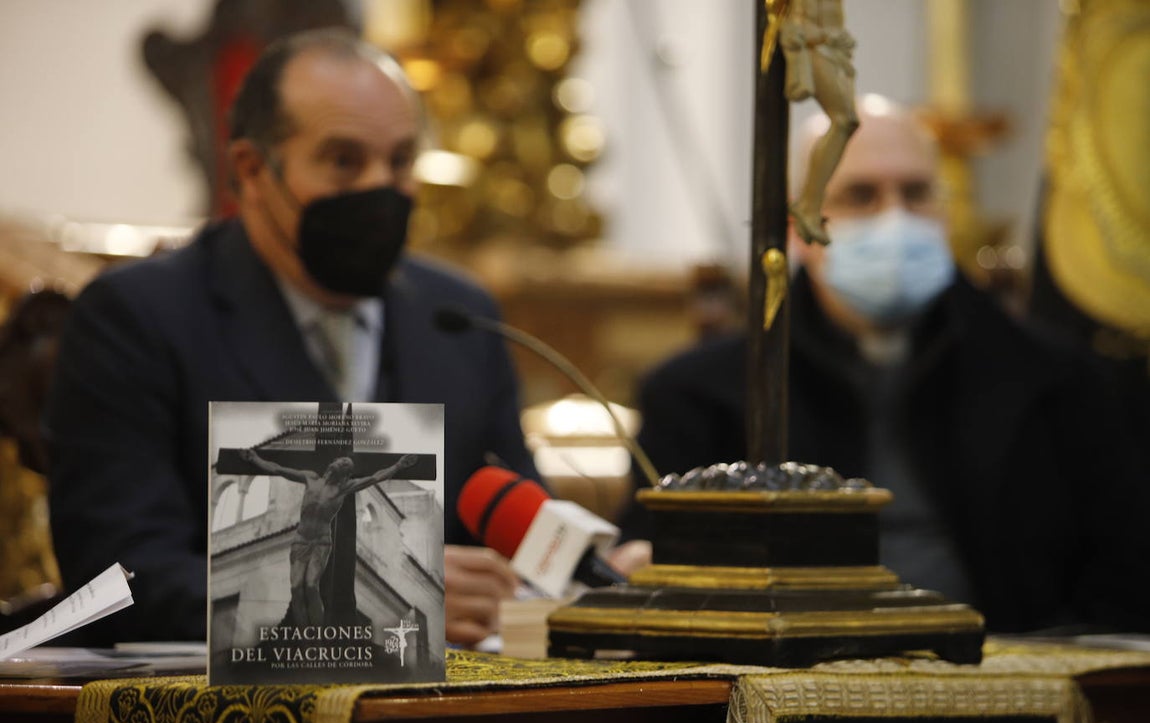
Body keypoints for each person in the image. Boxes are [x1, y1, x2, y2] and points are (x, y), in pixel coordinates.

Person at [45, 29, 530, 647]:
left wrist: (590, 572)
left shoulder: (458, 318)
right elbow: (118, 581)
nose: (380, 188)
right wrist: (372, 599)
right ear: (252, 169)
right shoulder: (137, 319)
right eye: (344, 161)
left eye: (401, 161)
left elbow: (516, 517)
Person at [615, 95, 1150, 635]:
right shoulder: (699, 396)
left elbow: (1123, 580)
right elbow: (651, 568)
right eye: (860, 195)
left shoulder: (1057, 381)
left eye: (916, 193)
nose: (895, 218)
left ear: (945, 211)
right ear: (798, 227)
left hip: (1013, 668)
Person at [238, 450, 417, 625]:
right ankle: (304, 634)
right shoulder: (311, 478)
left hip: (321, 542)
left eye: (347, 465)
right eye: (343, 461)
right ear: (334, 463)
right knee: (296, 588)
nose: (344, 463)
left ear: (346, 474)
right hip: (301, 539)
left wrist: (398, 466)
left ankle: (318, 633)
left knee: (311, 586)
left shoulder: (343, 488)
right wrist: (255, 459)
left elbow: (374, 478)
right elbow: (278, 469)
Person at [780, 0, 858, 246]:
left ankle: (810, 204)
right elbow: (802, 22)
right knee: (844, 120)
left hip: (833, 47)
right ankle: (808, 204)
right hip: (815, 45)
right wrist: (825, 36)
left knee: (847, 122)